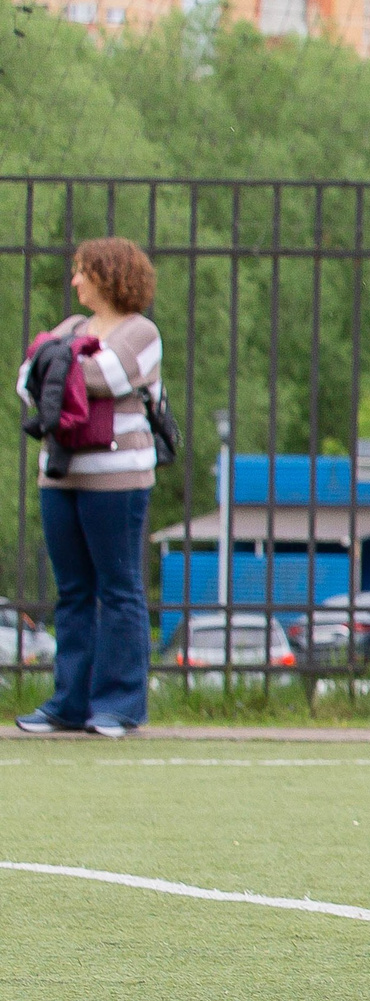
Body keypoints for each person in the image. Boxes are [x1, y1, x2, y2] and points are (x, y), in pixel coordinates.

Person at [15, 237, 162, 737]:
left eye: (82, 271)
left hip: (118, 480)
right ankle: (68, 703)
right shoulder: (74, 328)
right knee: (73, 591)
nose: (75, 280)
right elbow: (26, 379)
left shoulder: (141, 332)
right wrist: (56, 366)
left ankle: (119, 705)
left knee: (119, 589)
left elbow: (108, 377)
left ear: (108, 276)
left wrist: (54, 364)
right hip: (60, 476)